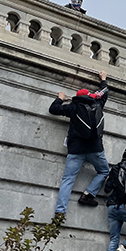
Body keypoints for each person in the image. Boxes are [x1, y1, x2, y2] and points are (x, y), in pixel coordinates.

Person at [49, 71, 110, 216]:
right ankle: (88, 194)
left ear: (77, 97)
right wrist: (103, 79)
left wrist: (60, 98)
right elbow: (105, 93)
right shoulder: (97, 103)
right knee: (104, 171)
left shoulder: (73, 107)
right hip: (95, 149)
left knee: (68, 180)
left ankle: (60, 212)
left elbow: (53, 110)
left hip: (76, 150)